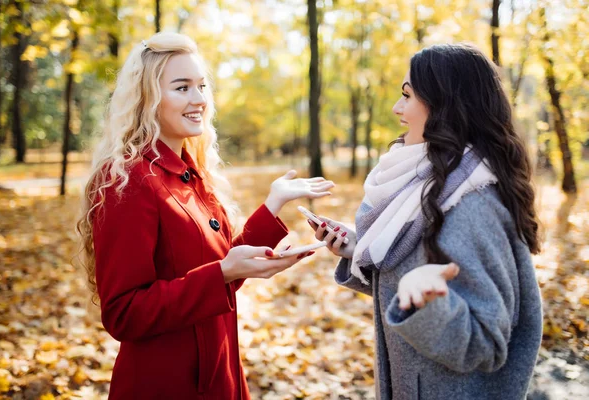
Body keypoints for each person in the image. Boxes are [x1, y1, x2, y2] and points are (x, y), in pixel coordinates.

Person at [76, 32, 334, 399]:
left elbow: (220, 270)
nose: (199, 100)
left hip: (220, 375)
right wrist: (225, 272)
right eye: (182, 88)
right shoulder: (128, 181)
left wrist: (273, 205)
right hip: (167, 385)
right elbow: (124, 313)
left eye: (202, 86)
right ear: (147, 99)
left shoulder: (191, 171)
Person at [307, 43, 543, 399]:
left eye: (408, 95)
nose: (396, 108)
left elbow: (486, 344)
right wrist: (357, 249)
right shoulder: (433, 182)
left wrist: (424, 303)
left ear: (447, 104)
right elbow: (418, 282)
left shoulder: (471, 203)